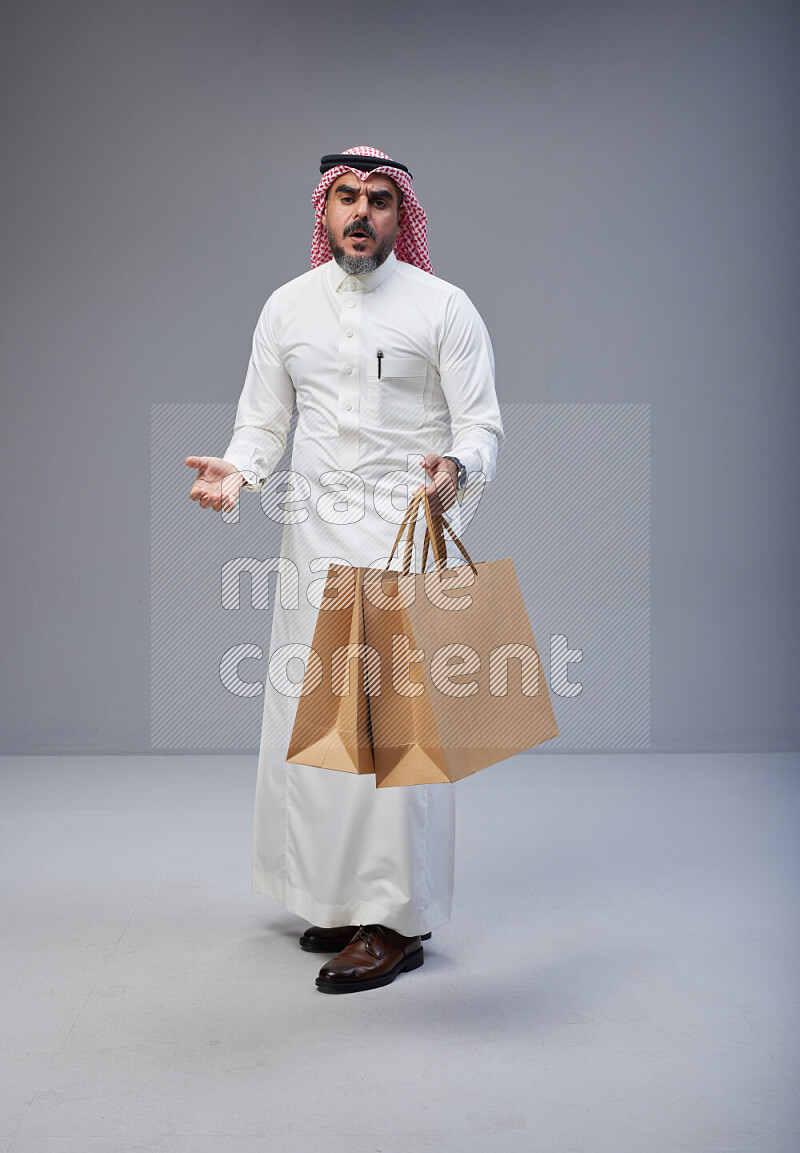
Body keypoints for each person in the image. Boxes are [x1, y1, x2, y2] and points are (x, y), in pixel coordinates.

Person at [185, 146, 504, 994]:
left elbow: (482, 427)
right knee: (317, 721)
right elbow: (263, 421)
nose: (361, 212)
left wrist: (456, 472)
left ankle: (395, 921)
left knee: (398, 735)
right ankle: (335, 894)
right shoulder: (287, 307)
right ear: (325, 211)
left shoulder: (445, 307)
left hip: (409, 535)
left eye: (379, 201)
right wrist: (237, 472)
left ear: (403, 217)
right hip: (314, 542)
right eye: (347, 198)